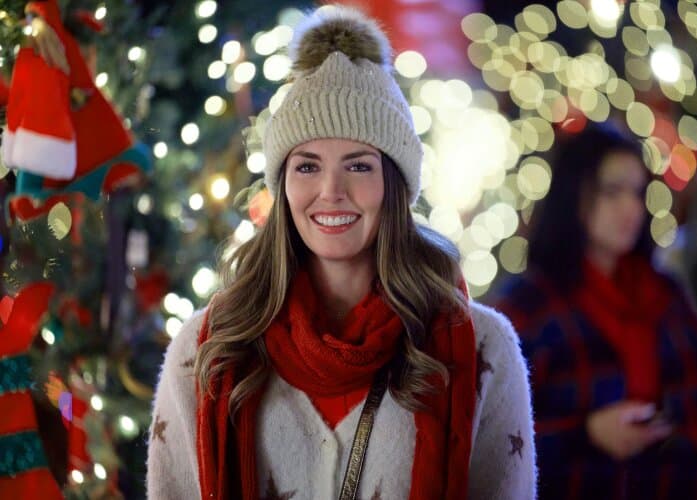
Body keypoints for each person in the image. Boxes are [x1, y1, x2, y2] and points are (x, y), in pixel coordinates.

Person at [147, 6, 536, 500]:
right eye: (307, 168)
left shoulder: (481, 348)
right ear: (282, 185)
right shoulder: (207, 349)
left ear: (393, 186)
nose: (331, 191)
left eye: (358, 166)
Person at [493, 122, 697, 499]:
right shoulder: (529, 309)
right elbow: (493, 439)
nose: (632, 208)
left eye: (638, 193)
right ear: (575, 195)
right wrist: (586, 434)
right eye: (612, 191)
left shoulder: (665, 295)